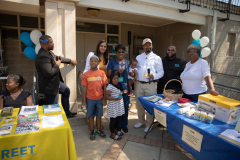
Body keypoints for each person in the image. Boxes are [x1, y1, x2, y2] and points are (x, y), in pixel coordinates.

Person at [35, 35, 77, 118]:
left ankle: (66, 112)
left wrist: (70, 61)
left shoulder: (49, 52)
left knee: (66, 91)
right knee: (52, 108)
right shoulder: (43, 56)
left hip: (55, 82)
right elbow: (49, 73)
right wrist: (57, 65)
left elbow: (58, 58)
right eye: (51, 42)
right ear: (44, 44)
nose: (53, 44)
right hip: (49, 86)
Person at [134, 38, 164, 132]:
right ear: (143, 46)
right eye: (146, 45)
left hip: (150, 84)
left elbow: (161, 72)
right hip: (138, 84)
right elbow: (135, 69)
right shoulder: (138, 57)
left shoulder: (157, 58)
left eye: (149, 45)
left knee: (149, 105)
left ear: (152, 46)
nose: (148, 46)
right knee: (139, 104)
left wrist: (154, 76)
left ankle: (149, 124)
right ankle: (141, 121)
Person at [82, 55, 108, 140]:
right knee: (90, 115)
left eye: (95, 61)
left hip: (99, 98)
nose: (93, 62)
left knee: (99, 115)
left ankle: (99, 130)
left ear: (98, 62)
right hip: (89, 99)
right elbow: (84, 88)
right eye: (91, 61)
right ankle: (92, 131)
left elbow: (104, 86)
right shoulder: (86, 74)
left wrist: (104, 99)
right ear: (89, 63)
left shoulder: (102, 73)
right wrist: (83, 101)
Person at [80, 40, 109, 112]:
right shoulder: (91, 54)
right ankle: (89, 118)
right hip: (91, 81)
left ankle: (98, 119)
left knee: (99, 101)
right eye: (101, 46)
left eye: (105, 46)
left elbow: (106, 70)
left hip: (101, 82)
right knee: (89, 100)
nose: (103, 48)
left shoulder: (106, 56)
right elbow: (87, 67)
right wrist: (83, 76)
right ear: (98, 46)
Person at [107, 44, 130, 133]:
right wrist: (116, 72)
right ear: (116, 53)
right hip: (115, 88)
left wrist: (133, 75)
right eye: (119, 52)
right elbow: (108, 75)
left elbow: (131, 74)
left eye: (122, 52)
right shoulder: (112, 62)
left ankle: (124, 124)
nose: (121, 54)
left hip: (124, 87)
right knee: (117, 107)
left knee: (125, 106)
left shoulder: (127, 62)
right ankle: (118, 126)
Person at [106, 72, 127, 140]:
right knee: (113, 120)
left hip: (119, 105)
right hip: (113, 106)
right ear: (111, 79)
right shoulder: (110, 86)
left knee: (118, 119)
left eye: (117, 78)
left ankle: (115, 130)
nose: (116, 80)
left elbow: (118, 95)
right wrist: (115, 99)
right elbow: (106, 96)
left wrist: (122, 92)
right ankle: (112, 134)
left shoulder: (118, 85)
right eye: (114, 79)